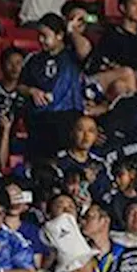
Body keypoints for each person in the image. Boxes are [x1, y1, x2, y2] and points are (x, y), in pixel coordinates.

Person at [20, 14, 85, 163]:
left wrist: (71, 31)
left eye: (45, 36)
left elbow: (85, 50)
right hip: (39, 120)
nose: (40, 40)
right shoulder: (34, 59)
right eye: (39, 36)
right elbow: (20, 86)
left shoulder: (71, 56)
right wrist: (31, 91)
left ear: (59, 35)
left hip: (66, 118)